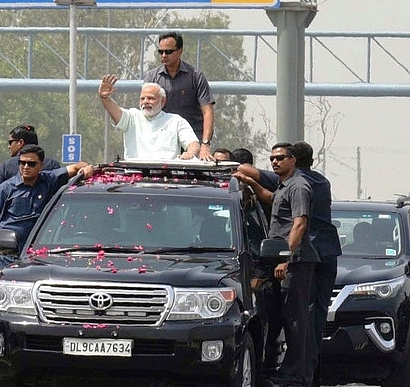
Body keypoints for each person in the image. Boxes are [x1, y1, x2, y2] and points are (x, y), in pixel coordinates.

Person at [237, 141, 341, 387]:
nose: (274, 162)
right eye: (272, 158)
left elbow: (300, 223)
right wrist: (252, 184)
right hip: (316, 254)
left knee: (297, 318)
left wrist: (284, 257)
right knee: (302, 316)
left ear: (293, 160)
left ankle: (298, 373)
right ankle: (302, 369)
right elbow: (273, 199)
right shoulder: (307, 183)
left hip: (298, 258)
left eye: (280, 157)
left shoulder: (299, 185)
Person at [0, 144, 94, 272]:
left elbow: (76, 167)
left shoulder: (48, 180)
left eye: (31, 164)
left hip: (37, 255)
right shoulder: (5, 188)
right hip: (7, 255)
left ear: (41, 165)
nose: (25, 167)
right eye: (22, 163)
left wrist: (88, 168)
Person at [144, 31, 216, 161]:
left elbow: (207, 112)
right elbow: (146, 110)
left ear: (180, 51)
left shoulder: (195, 76)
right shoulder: (152, 77)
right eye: (161, 52)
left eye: (168, 52)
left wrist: (205, 144)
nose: (164, 55)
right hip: (164, 139)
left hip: (194, 138)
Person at [98, 74, 199, 160]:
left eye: (151, 98)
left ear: (163, 101)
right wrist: (105, 98)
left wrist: (190, 153)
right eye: (142, 99)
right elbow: (115, 111)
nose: (145, 102)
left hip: (166, 177)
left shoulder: (175, 121)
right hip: (134, 176)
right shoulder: (132, 117)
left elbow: (193, 143)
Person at [0, 125, 61, 191]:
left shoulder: (5, 167)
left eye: (10, 142)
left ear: (20, 142)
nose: (9, 147)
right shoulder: (52, 164)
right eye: (22, 163)